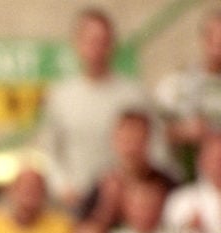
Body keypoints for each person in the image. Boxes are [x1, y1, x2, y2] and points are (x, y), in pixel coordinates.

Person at [39, 7, 168, 211]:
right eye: (90, 40)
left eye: (103, 41)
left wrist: (145, 189)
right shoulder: (61, 96)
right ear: (77, 43)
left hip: (128, 206)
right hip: (77, 203)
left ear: (112, 44)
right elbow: (50, 152)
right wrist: (63, 186)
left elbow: (157, 146)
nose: (97, 48)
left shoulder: (134, 93)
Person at [154, 4, 221, 181]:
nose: (218, 44)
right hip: (184, 183)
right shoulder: (176, 84)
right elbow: (151, 132)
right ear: (202, 38)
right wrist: (182, 131)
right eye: (212, 37)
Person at [161, 129, 221, 233]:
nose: (219, 165)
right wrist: (188, 231)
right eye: (214, 158)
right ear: (202, 160)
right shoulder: (182, 200)